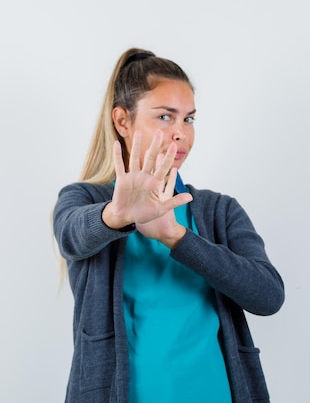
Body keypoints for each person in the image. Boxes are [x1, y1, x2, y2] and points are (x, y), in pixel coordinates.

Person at [52, 48, 284, 403]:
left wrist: (175, 236)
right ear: (122, 121)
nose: (181, 134)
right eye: (165, 116)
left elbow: (268, 296)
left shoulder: (219, 210)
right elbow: (72, 236)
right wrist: (117, 215)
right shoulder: (83, 199)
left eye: (188, 120)